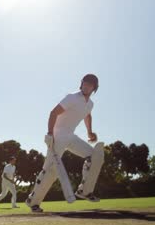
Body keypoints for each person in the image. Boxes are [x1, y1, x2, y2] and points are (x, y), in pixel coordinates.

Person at [26, 74, 105, 213]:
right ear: (81, 84)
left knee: (94, 156)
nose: (86, 86)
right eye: (85, 83)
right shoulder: (72, 97)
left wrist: (90, 132)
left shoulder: (90, 104)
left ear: (94, 88)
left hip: (70, 136)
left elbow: (87, 115)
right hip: (58, 136)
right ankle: (33, 201)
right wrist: (50, 133)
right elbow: (53, 113)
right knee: (50, 169)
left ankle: (84, 191)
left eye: (90, 85)